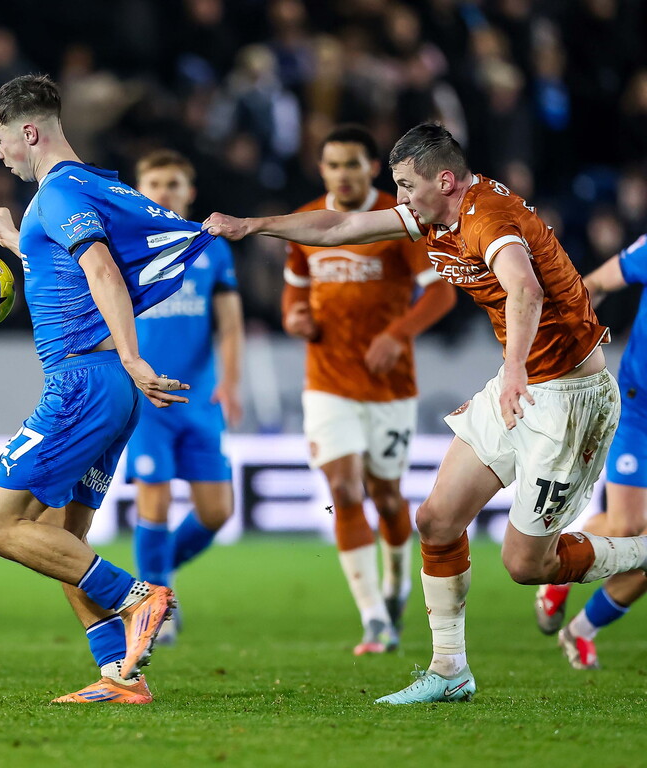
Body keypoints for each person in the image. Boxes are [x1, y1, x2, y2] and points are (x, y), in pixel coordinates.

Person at [205, 122, 647, 704]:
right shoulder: (436, 212)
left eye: (406, 184)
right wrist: (253, 226)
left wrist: (514, 369)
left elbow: (525, 290)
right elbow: (342, 226)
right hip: (523, 383)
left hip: (568, 398)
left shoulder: (487, 218)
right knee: (436, 521)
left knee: (525, 564)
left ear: (444, 179)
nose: (400, 197)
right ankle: (449, 670)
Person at [0, 75, 217, 704]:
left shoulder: (56, 194)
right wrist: (15, 240)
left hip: (85, 380)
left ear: (30, 132)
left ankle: (140, 596)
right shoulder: (93, 185)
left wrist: (135, 358)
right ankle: (121, 675)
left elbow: (102, 270)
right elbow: (69, 271)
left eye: (1, 140)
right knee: (61, 542)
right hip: (110, 388)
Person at [281, 125, 455, 655]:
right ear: (322, 170)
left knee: (386, 494)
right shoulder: (308, 223)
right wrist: (296, 321)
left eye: (353, 164)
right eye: (334, 165)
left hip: (389, 388)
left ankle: (398, 583)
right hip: (327, 382)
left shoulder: (400, 222)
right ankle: (374, 618)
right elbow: (293, 299)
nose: (344, 174)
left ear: (372, 167)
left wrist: (396, 334)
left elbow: (442, 293)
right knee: (344, 490)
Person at [126, 149, 244, 646]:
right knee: (154, 499)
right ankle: (158, 609)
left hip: (199, 397)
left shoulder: (210, 246)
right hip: (148, 398)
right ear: (139, 190)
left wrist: (231, 380)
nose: (164, 191)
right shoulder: (124, 245)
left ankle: (152, 584)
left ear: (189, 193)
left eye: (174, 183)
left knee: (217, 511)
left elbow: (231, 321)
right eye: (154, 182)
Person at [534, 233, 647, 669]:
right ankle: (556, 563)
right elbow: (594, 282)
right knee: (628, 523)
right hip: (642, 411)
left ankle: (580, 630)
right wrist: (569, 340)